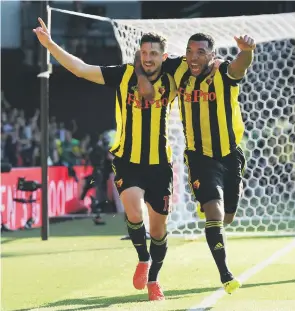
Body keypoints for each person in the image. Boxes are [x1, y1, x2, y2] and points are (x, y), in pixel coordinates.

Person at [34, 18, 177, 301]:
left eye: (154, 54)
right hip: (127, 160)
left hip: (160, 165)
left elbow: (201, 69)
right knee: (135, 213)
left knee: (159, 229)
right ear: (139, 53)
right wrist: (50, 45)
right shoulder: (123, 75)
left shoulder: (174, 78)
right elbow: (81, 69)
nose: (148, 58)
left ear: (164, 56)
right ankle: (143, 259)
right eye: (144, 53)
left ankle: (154, 280)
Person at [158, 33, 255, 294]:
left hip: (229, 154)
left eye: (200, 52)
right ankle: (226, 275)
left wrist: (247, 50)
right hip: (199, 156)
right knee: (214, 212)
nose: (193, 56)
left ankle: (221, 200)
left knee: (227, 217)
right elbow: (152, 61)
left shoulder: (222, 72)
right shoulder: (180, 69)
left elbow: (240, 66)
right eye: (190, 50)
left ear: (211, 55)